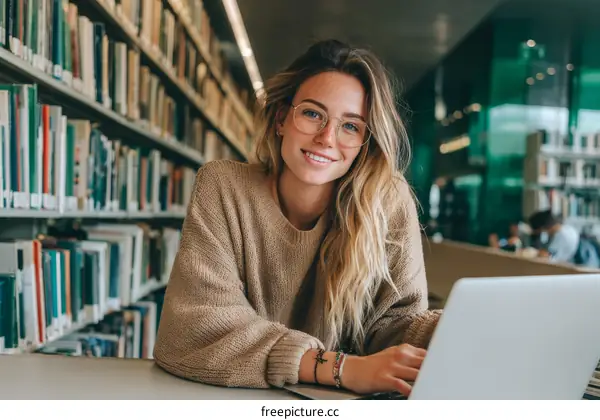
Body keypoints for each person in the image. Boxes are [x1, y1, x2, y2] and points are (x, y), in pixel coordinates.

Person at [153, 39, 442, 397]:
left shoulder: (388, 200)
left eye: (351, 126)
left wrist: (455, 330)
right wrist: (340, 368)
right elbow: (195, 328)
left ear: (365, 142)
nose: (326, 138)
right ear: (280, 119)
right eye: (312, 113)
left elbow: (393, 325)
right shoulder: (224, 187)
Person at [528, 210, 599, 267]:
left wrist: (534, 253)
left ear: (543, 228)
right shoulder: (566, 228)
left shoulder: (562, 236)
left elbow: (548, 260)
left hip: (584, 263)